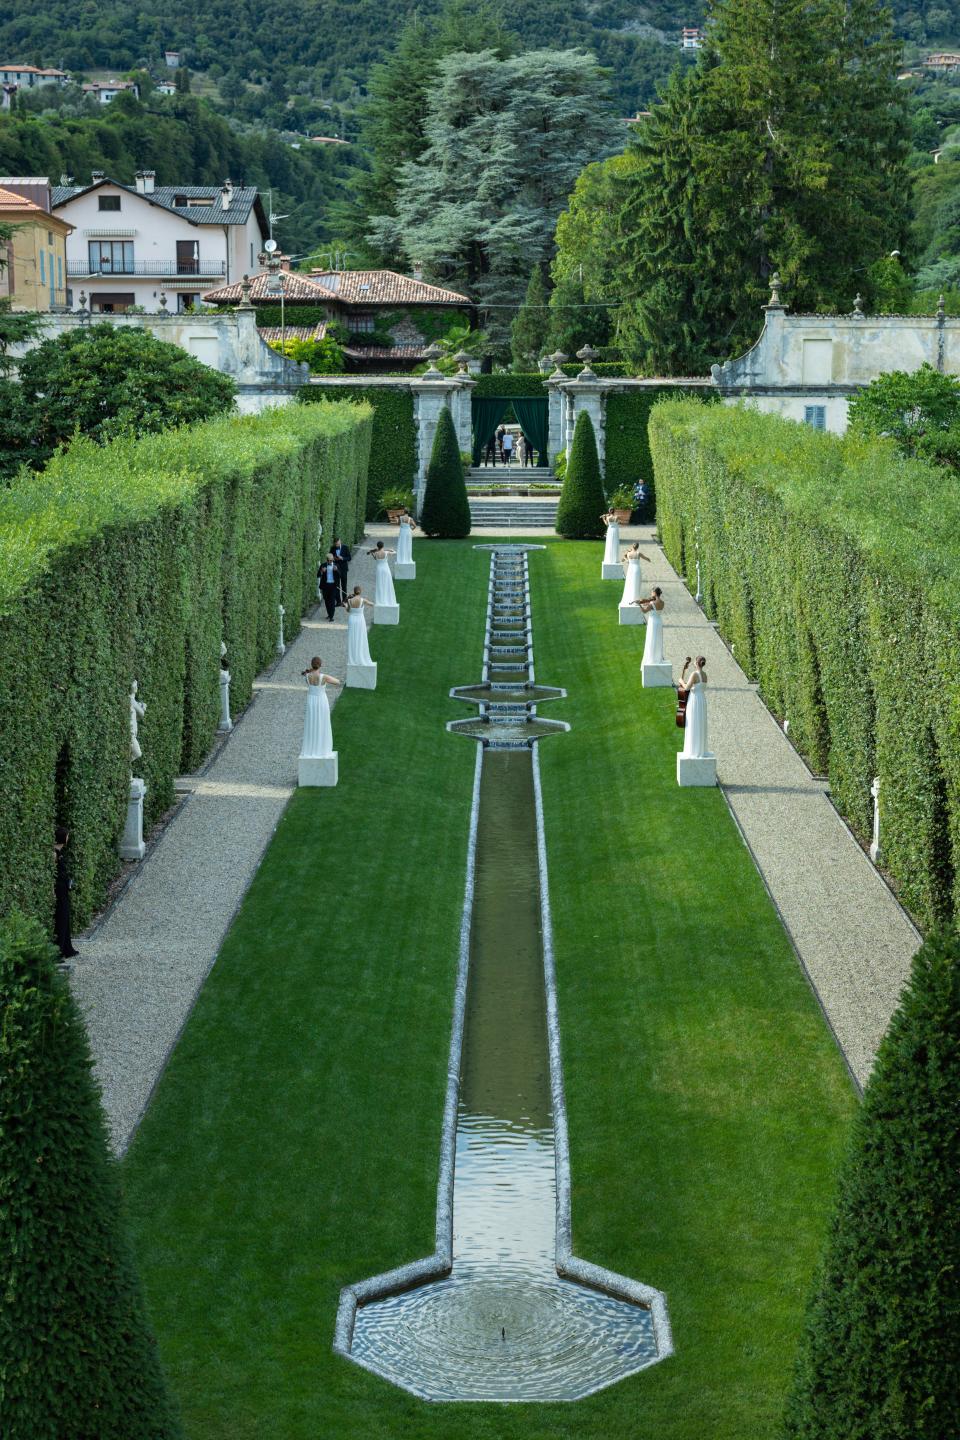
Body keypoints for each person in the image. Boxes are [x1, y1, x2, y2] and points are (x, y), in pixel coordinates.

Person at [300, 656, 341, 760]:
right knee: (322, 723)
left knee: (312, 723)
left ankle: (312, 748)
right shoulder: (323, 677)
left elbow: (308, 676)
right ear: (320, 665)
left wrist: (309, 671)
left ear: (312, 665)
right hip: (321, 702)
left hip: (311, 701)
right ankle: (322, 749)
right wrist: (326, 677)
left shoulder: (307, 676)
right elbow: (338, 682)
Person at [54, 826, 79, 960]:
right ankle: (58, 952)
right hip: (59, 890)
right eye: (67, 835)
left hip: (64, 889)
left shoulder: (60, 851)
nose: (68, 838)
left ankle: (67, 948)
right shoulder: (54, 853)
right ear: (63, 837)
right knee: (61, 920)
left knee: (66, 918)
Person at [679, 655, 709, 758]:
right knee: (700, 723)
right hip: (702, 700)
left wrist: (681, 681)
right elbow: (700, 687)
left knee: (692, 722)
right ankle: (700, 748)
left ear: (696, 663)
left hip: (695, 700)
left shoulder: (694, 674)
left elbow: (687, 688)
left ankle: (692, 750)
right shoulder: (705, 675)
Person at [633, 586, 666, 665]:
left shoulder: (652, 603)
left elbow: (644, 611)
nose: (651, 594)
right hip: (659, 621)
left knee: (651, 639)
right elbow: (652, 606)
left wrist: (639, 604)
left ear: (654, 593)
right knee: (657, 639)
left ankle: (651, 658)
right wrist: (647, 603)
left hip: (652, 622)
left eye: (652, 592)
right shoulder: (662, 603)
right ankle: (657, 657)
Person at [346, 585, 375, 666]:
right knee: (361, 637)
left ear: (354, 592)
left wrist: (345, 605)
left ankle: (353, 658)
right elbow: (371, 604)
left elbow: (348, 610)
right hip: (360, 621)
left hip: (352, 620)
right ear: (360, 591)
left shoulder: (349, 600)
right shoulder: (362, 600)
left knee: (353, 637)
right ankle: (360, 656)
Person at [620, 541, 651, 608]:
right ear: (638, 547)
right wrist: (649, 559)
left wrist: (625, 559)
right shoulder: (638, 553)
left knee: (629, 583)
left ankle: (630, 598)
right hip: (636, 569)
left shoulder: (628, 553)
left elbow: (624, 557)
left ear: (632, 546)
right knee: (636, 583)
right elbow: (645, 558)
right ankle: (635, 599)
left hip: (630, 569)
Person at [368, 540, 398, 609]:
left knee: (380, 584)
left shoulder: (375, 553)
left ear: (377, 546)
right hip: (385, 569)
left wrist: (372, 552)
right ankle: (388, 599)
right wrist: (390, 549)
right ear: (383, 546)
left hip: (379, 569)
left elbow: (375, 558)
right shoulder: (386, 552)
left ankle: (381, 600)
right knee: (387, 583)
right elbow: (394, 552)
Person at [317, 551, 340, 621]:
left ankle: (331, 616)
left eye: (332, 560)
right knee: (326, 601)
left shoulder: (336, 565)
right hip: (325, 586)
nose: (331, 562)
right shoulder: (323, 565)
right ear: (327, 560)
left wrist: (336, 570)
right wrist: (321, 571)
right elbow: (318, 575)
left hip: (333, 585)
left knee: (332, 601)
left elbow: (340, 575)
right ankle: (329, 614)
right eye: (329, 560)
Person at [332, 536, 351, 604]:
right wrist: (333, 559)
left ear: (340, 541)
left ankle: (344, 601)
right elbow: (330, 557)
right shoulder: (332, 548)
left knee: (344, 585)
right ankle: (338, 601)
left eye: (337, 544)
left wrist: (342, 558)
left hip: (343, 569)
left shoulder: (345, 547)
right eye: (335, 544)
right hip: (336, 569)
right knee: (337, 586)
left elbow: (349, 558)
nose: (336, 545)